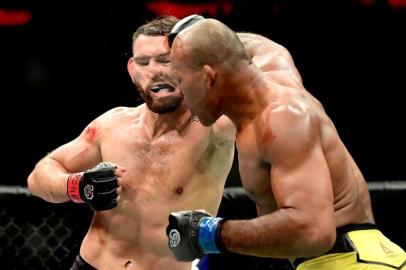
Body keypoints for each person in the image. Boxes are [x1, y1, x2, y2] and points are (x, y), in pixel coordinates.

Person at [166, 17, 406, 269]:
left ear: (208, 77)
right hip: (341, 259)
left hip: (350, 261)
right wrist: (194, 36)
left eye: (180, 81)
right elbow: (264, 47)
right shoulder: (277, 77)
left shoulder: (283, 118)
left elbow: (314, 231)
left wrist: (210, 233)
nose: (180, 95)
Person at [27, 15, 237, 270]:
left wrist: (215, 45)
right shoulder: (112, 125)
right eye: (143, 62)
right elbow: (39, 176)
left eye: (166, 60)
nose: (155, 70)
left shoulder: (215, 126)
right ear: (132, 70)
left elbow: (271, 92)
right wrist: (77, 185)